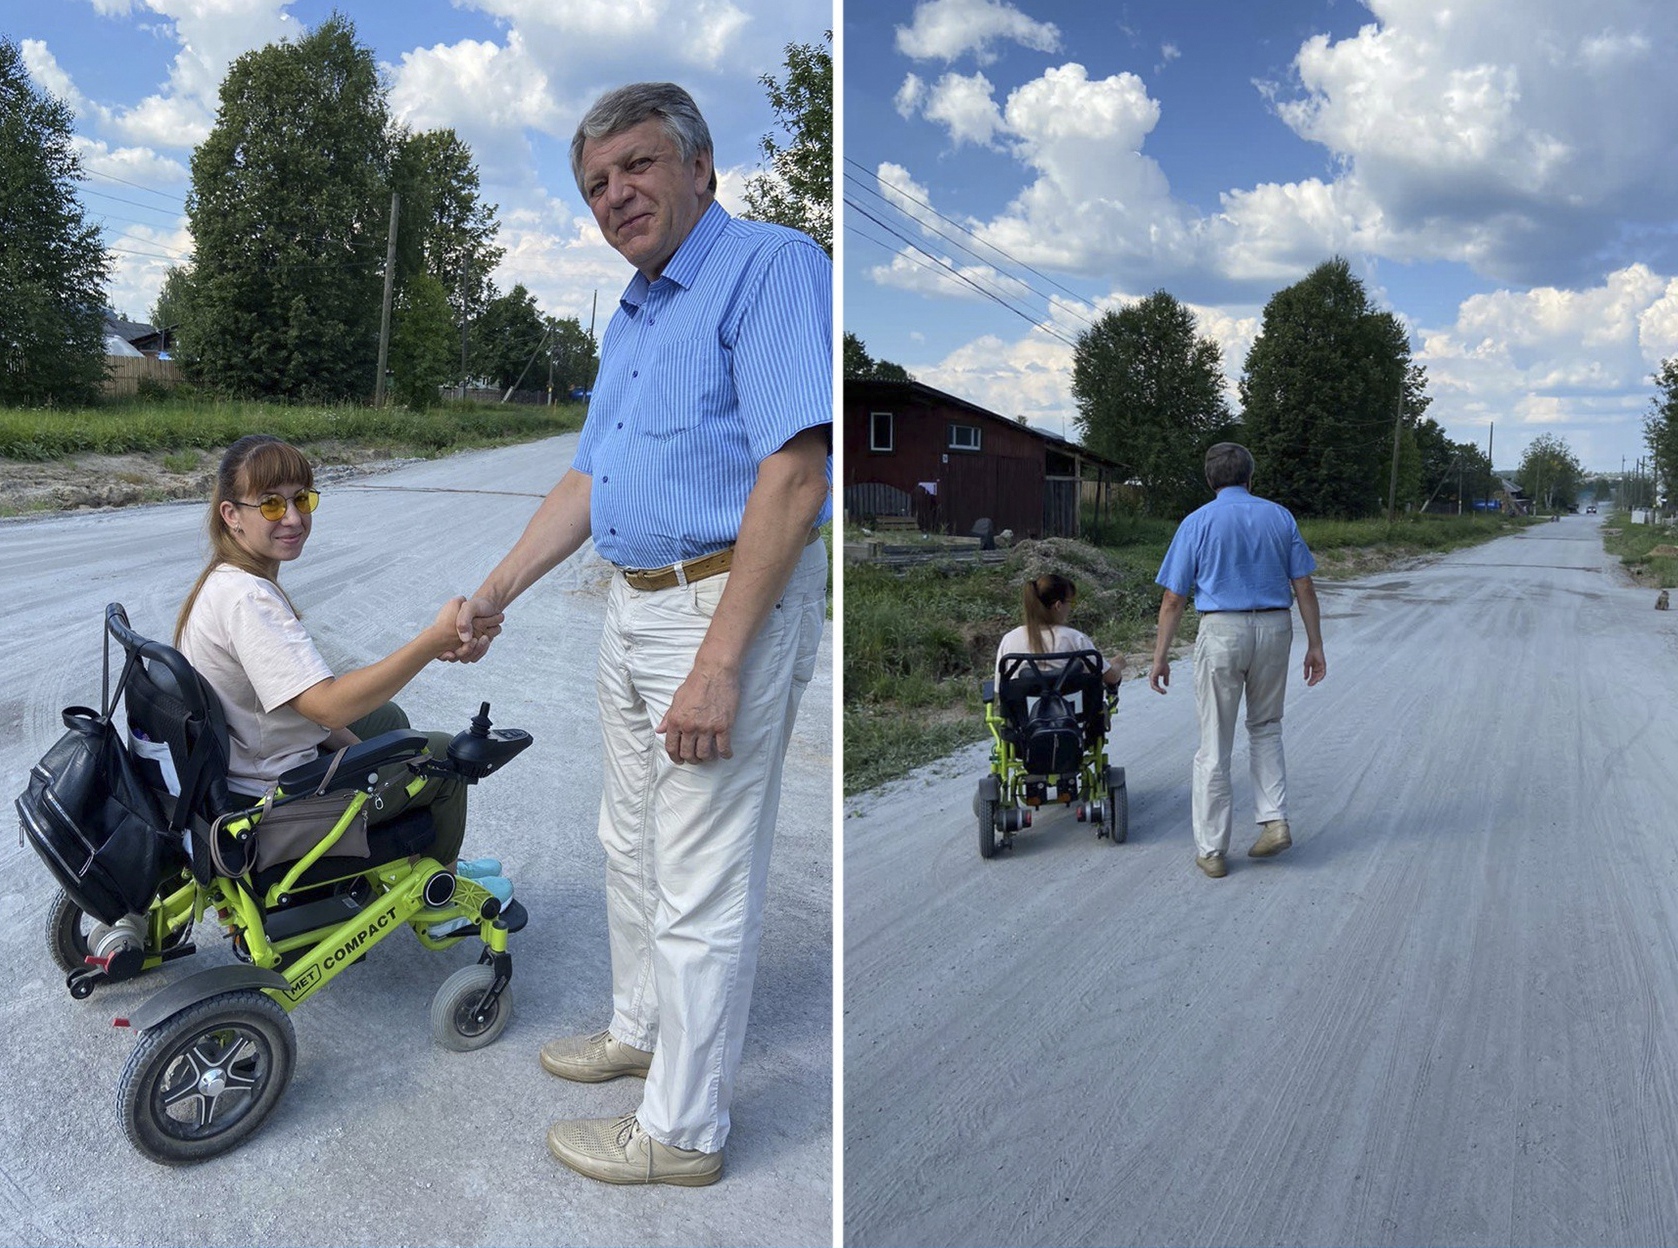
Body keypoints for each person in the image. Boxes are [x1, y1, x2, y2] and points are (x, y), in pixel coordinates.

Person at [450, 81, 831, 1187]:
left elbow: (796, 472)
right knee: (629, 841)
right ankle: (642, 1030)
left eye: (637, 166)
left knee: (703, 874)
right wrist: (495, 591)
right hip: (632, 602)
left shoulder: (770, 267)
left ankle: (683, 1133)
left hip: (719, 607)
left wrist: (719, 666)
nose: (616, 195)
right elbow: (589, 474)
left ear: (700, 167)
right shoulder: (638, 307)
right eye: (596, 185)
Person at [174, 434, 511, 914]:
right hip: (273, 798)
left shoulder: (224, 580)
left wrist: (360, 750)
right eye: (271, 505)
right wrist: (432, 641)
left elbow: (305, 707)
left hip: (249, 756)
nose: (292, 518)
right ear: (232, 515)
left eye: (301, 499)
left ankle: (417, 857)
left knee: (388, 718)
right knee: (442, 759)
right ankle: (441, 895)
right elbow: (326, 705)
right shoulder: (249, 600)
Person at [1147, 442, 1326, 879]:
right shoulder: (1279, 516)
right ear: (1251, 477)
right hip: (1274, 627)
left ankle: (1211, 850)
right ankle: (1274, 820)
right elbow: (1303, 585)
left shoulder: (1196, 522)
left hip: (1222, 629)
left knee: (1215, 739)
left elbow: (1174, 598)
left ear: (1210, 480)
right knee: (1266, 727)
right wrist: (1315, 645)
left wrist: (1160, 657)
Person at [993, 573, 1122, 690]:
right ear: (1058, 606)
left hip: (1024, 714)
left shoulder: (1009, 640)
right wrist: (1118, 664)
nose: (1071, 608)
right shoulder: (1076, 638)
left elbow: (1000, 688)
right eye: (1071, 602)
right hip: (1074, 713)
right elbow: (1111, 678)